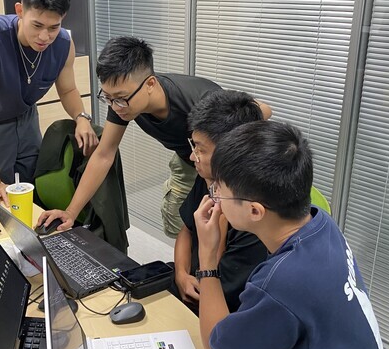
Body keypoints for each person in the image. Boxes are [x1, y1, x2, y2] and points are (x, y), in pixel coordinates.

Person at [194, 120, 389, 349]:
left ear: (255, 211)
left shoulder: (282, 285)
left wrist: (207, 261)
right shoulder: (321, 222)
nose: (214, 197)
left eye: (219, 190)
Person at [37, 36, 272, 238]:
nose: (115, 106)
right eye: (107, 97)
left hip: (219, 164)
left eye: (119, 98)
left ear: (150, 83)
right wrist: (70, 213)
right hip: (187, 158)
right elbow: (104, 154)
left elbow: (262, 109)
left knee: (219, 226)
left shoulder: (196, 100)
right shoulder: (123, 100)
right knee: (176, 219)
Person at [0, 0, 98, 206]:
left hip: (26, 118)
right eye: (37, 25)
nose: (45, 36)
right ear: (20, 11)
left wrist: (82, 117)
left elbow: (67, 90)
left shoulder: (64, 43)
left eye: (53, 27)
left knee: (33, 183)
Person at [172, 90, 268, 314]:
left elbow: (220, 295)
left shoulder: (252, 218)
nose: (192, 156)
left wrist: (220, 225)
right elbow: (186, 229)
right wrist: (181, 274)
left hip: (225, 306)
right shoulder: (208, 176)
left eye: (201, 150)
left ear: (231, 155)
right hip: (196, 283)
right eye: (193, 145)